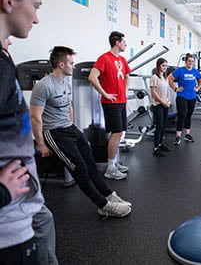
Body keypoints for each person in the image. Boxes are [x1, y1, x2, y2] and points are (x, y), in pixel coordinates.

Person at [30, 46, 132, 218]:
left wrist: (72, 126)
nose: (74, 66)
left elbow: (69, 106)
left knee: (90, 163)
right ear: (61, 65)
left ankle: (108, 195)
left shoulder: (65, 82)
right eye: (71, 63)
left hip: (70, 128)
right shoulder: (44, 86)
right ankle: (104, 205)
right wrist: (41, 144)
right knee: (80, 168)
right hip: (54, 132)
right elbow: (35, 117)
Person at [0, 0, 58, 264]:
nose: (36, 18)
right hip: (7, 226)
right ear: (9, 1)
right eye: (35, 6)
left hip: (20, 213)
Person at [88, 31, 130, 180]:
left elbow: (126, 76)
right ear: (117, 42)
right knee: (116, 133)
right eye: (124, 41)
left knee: (120, 133)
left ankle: (114, 162)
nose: (125, 44)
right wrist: (105, 94)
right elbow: (92, 77)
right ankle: (110, 168)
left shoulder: (123, 60)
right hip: (110, 102)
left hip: (121, 101)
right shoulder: (104, 58)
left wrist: (124, 92)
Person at [168, 53, 201, 145]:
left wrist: (197, 88)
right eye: (189, 61)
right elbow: (170, 78)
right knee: (182, 115)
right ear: (185, 61)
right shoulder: (180, 71)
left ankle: (187, 135)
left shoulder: (195, 71)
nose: (190, 63)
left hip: (192, 97)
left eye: (192, 61)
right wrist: (175, 89)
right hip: (182, 97)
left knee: (188, 115)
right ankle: (178, 136)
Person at [150, 58, 171, 157]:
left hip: (165, 104)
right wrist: (163, 102)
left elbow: (167, 91)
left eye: (166, 66)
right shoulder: (154, 77)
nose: (165, 68)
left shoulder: (165, 78)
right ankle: (155, 148)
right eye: (163, 65)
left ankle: (160, 144)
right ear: (158, 66)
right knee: (158, 127)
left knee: (163, 126)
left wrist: (169, 100)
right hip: (158, 105)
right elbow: (153, 93)